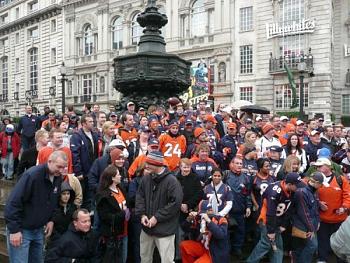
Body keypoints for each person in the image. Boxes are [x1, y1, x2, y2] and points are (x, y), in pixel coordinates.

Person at [5, 151, 67, 263]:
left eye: (64, 167)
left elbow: (53, 202)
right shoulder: (32, 175)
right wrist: (14, 230)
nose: (61, 170)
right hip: (22, 230)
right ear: (49, 161)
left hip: (38, 230)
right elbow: (13, 203)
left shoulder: (57, 177)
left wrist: (51, 220)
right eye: (59, 167)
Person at [135, 151, 183, 263]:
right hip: (147, 229)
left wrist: (157, 217)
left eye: (148, 163)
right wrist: (142, 215)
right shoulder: (146, 178)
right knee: (145, 260)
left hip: (165, 231)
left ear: (157, 164)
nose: (145, 166)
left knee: (167, 261)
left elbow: (175, 203)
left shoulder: (172, 181)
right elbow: (140, 196)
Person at [246, 172, 302, 263]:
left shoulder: (292, 191)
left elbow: (290, 208)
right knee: (265, 244)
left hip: (278, 219)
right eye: (297, 185)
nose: (299, 187)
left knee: (278, 245)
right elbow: (270, 213)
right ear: (289, 184)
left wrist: (284, 224)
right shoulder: (274, 191)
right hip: (266, 220)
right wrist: (271, 231)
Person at [313, 157, 350, 263]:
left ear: (328, 166)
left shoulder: (340, 179)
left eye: (320, 166)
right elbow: (308, 194)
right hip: (323, 219)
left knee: (341, 243)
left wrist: (344, 207)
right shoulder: (315, 178)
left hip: (339, 219)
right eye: (317, 166)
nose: (318, 168)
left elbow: (348, 196)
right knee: (322, 242)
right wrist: (318, 202)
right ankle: (321, 259)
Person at [96, 165, 130, 263]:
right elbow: (105, 217)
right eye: (118, 174)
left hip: (125, 231)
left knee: (124, 258)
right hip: (113, 236)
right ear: (112, 178)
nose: (120, 176)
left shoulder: (121, 189)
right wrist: (123, 214)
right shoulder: (103, 196)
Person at [291, 172, 324, 263]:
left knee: (303, 247)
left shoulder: (314, 192)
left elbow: (315, 209)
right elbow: (303, 213)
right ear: (316, 183)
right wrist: (311, 228)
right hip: (302, 225)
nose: (321, 187)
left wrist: (317, 222)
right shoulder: (301, 192)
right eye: (320, 184)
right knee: (312, 246)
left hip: (310, 224)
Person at [225, 157, 252, 257]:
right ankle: (226, 251)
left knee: (240, 231)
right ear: (231, 164)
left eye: (241, 164)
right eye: (237, 163)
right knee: (226, 231)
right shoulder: (225, 175)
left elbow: (248, 194)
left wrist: (248, 206)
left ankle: (237, 249)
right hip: (227, 210)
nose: (239, 165)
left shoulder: (246, 178)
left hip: (240, 209)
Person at [70, 114, 99, 209]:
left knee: (90, 195)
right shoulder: (77, 136)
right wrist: (78, 171)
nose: (92, 123)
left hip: (92, 170)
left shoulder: (94, 134)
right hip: (82, 172)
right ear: (83, 124)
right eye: (90, 122)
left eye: (92, 121)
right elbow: (75, 155)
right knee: (82, 194)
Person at [48, 181, 77, 248]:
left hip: (70, 238)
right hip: (55, 240)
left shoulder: (73, 207)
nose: (66, 196)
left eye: (68, 193)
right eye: (63, 194)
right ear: (59, 195)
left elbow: (74, 224)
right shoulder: (53, 208)